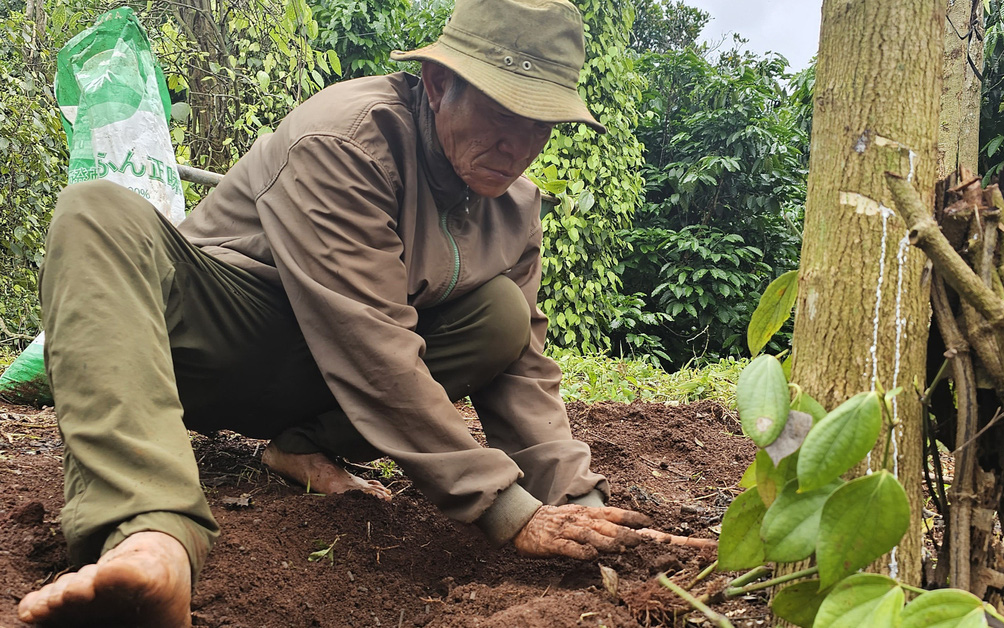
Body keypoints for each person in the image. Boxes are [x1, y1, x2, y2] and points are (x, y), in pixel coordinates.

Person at [17, 0, 658, 625]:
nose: (518, 144)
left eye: (542, 122)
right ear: (438, 84)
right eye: (503, 111)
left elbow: (522, 370)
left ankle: (300, 447)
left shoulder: (515, 210)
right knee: (96, 211)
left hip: (326, 381)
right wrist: (505, 508)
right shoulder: (349, 135)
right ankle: (150, 533)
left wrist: (579, 503)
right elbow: (369, 339)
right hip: (223, 342)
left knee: (501, 318)